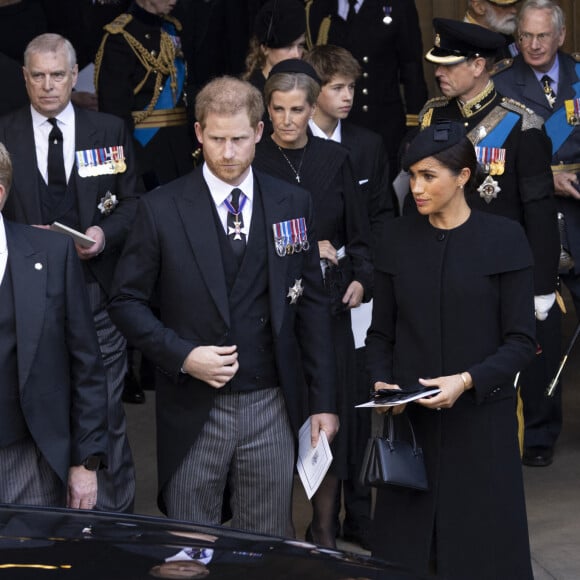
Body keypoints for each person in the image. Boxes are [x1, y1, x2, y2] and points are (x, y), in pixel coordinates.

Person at [108, 76, 339, 537]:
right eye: (216, 139)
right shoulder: (161, 208)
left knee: (267, 537)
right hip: (194, 406)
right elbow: (125, 302)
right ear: (198, 134)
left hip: (271, 401)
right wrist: (182, 356)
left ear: (258, 132)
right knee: (191, 539)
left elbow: (313, 309)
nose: (228, 152)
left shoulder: (294, 203)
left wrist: (323, 402)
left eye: (238, 139)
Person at [366, 121, 536, 579]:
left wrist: (467, 381)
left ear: (463, 177)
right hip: (414, 431)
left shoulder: (504, 238)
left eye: (428, 176)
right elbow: (380, 333)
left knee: (482, 555)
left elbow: (521, 341)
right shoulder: (396, 239)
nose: (416, 188)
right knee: (409, 555)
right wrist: (382, 384)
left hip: (481, 427)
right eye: (412, 176)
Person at [0, 33, 138, 513]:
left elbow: (132, 204)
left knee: (104, 412)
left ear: (75, 74)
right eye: (36, 75)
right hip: (25, 305)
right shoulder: (5, 133)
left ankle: (116, 522)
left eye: (58, 75)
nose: (47, 85)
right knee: (33, 411)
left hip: (95, 293)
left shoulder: (108, 130)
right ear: (24, 77)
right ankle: (47, 521)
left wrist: (102, 235)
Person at [419, 17, 560, 466]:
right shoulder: (431, 116)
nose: (439, 72)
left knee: (497, 380)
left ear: (479, 65)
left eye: (449, 64)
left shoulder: (523, 123)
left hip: (497, 275)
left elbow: (537, 212)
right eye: (436, 64)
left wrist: (541, 286)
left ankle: (500, 470)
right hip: (439, 269)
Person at [253, 58, 373, 548]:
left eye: (296, 109)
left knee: (329, 415)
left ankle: (324, 527)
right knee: (277, 419)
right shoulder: (252, 159)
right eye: (277, 109)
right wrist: (303, 247)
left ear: (313, 106)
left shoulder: (335, 160)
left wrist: (362, 278)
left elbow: (361, 237)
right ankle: (275, 526)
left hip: (329, 304)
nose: (286, 119)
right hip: (269, 310)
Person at [303, 43, 393, 549]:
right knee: (321, 404)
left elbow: (380, 217)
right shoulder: (291, 145)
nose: (348, 97)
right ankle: (322, 519)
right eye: (337, 88)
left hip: (360, 292)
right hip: (313, 295)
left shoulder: (367, 144)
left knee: (361, 404)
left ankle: (360, 514)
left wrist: (369, 275)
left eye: (352, 88)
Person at [494, 0, 580, 466]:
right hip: (532, 215)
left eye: (542, 36)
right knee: (540, 330)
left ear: (560, 36)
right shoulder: (501, 82)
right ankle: (540, 436)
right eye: (525, 35)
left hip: (579, 210)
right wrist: (546, 178)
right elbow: (491, 157)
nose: (532, 44)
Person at [0, 141, 108, 510]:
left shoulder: (51, 254)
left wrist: (86, 461)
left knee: (33, 564)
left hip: (30, 457)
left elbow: (86, 365)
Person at [305, 0, 428, 182]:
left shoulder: (398, 6)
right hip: (333, 127)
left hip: (382, 124)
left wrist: (414, 127)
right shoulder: (317, 8)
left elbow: (412, 68)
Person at [95, 0, 193, 189]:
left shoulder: (173, 28)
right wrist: (137, 166)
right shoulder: (121, 36)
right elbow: (114, 114)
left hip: (180, 150)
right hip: (145, 152)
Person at [242, 0, 306, 94]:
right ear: (265, 48)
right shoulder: (250, 94)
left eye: (300, 45)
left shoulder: (305, 86)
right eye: (287, 46)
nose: (296, 55)